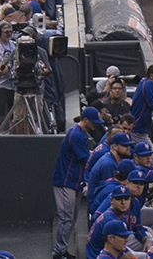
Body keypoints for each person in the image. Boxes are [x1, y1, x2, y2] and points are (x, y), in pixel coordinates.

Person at [51, 106, 104, 259]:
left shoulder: (81, 133)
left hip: (73, 181)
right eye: (93, 121)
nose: (95, 125)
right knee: (66, 218)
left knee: (71, 218)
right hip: (64, 182)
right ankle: (58, 252)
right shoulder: (76, 134)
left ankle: (62, 250)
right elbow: (85, 158)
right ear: (85, 119)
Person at [130, 64, 153, 150]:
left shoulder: (143, 81)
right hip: (138, 127)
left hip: (136, 125)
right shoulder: (150, 83)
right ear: (152, 75)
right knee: (151, 154)